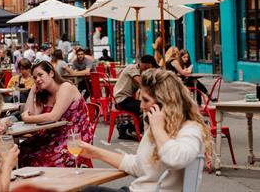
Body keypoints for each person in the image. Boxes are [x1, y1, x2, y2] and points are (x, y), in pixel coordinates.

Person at [78, 69, 213, 192]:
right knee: (87, 189)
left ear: (165, 102)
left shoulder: (190, 129)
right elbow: (140, 166)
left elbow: (175, 159)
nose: (141, 106)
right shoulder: (161, 126)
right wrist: (95, 152)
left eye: (146, 100)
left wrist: (158, 129)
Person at [19, 60, 93, 167]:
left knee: (43, 158)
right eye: (35, 78)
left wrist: (26, 119)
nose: (38, 79)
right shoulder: (44, 94)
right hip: (53, 136)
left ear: (51, 73)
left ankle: (46, 183)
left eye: (40, 75)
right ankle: (35, 183)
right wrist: (32, 92)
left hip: (73, 139)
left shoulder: (66, 87)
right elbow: (30, 115)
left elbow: (53, 116)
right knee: (23, 150)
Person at [114, 55, 159, 139]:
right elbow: (141, 83)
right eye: (152, 67)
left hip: (127, 99)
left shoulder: (140, 72)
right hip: (121, 100)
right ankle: (142, 132)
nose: (151, 70)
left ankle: (127, 127)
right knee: (147, 108)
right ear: (148, 65)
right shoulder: (132, 68)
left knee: (149, 106)